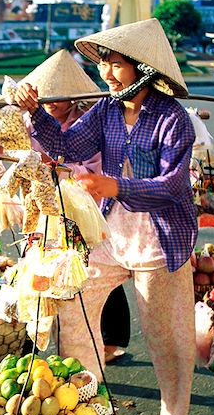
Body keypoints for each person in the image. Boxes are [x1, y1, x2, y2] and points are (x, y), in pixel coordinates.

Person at [16, 18, 196, 415]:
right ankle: (89, 402)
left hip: (160, 242)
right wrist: (35, 114)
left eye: (116, 65)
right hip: (108, 238)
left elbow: (173, 186)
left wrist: (115, 186)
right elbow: (70, 147)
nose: (107, 74)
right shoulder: (106, 110)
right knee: (73, 315)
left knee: (165, 337)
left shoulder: (174, 120)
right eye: (105, 65)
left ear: (144, 68)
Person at [20, 49, 131, 364]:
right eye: (45, 98)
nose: (52, 104)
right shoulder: (27, 122)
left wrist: (60, 170)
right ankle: (38, 339)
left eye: (60, 97)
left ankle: (112, 338)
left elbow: (94, 165)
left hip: (82, 202)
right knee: (41, 267)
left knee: (91, 267)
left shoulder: (86, 120)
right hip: (42, 202)